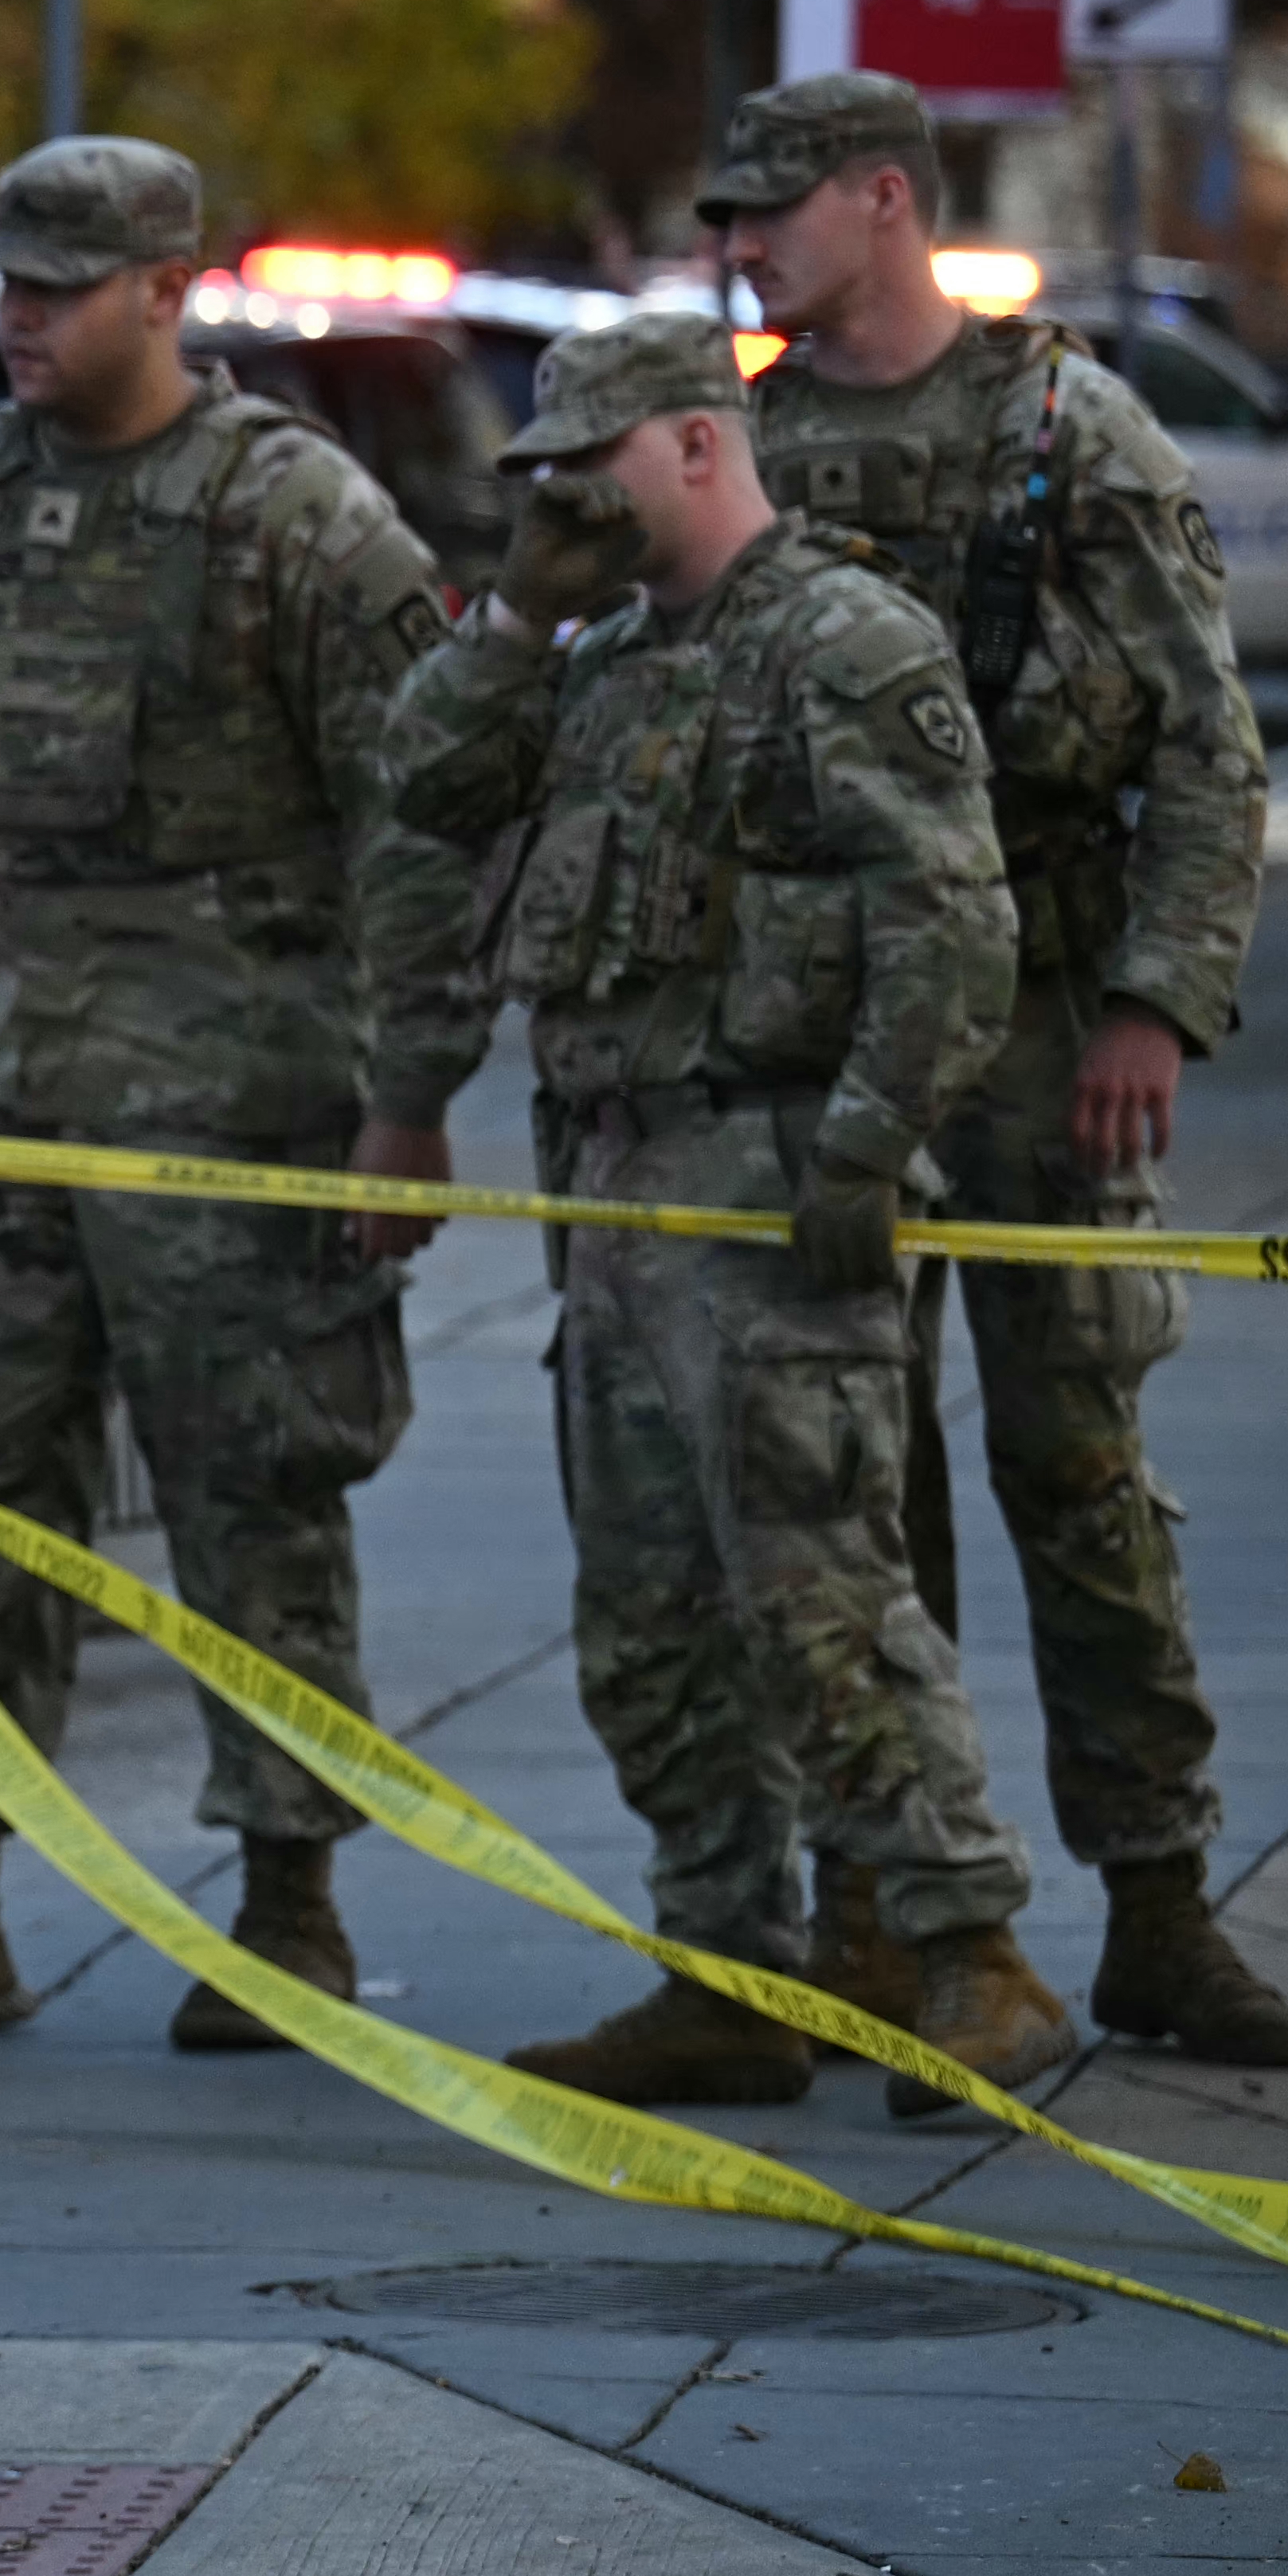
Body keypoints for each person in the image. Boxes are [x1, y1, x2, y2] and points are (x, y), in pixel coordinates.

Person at [0, 138, 475, 2051]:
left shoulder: (297, 519)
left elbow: (422, 822)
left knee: (252, 1490)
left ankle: (284, 1904)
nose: (19, 318)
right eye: (8, 282)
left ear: (169, 289)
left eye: (60, 286)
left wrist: (409, 1101)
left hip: (238, 1097)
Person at [382, 310, 1064, 2116]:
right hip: (609, 1187)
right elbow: (423, 783)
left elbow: (952, 921)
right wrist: (515, 609)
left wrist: (864, 1143)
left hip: (764, 1183)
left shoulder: (838, 638)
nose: (568, 501)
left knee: (818, 1595)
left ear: (694, 443)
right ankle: (724, 1965)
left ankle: (964, 1948)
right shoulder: (592, 650)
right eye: (542, 477)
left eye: (590, 465)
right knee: (649, 1615)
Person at [708, 69, 1288, 2067]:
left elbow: (1209, 749)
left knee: (1075, 1468)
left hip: (1047, 1023)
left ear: (885, 199)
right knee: (843, 1491)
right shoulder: (748, 444)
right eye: (728, 216)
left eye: (774, 209)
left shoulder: (1065, 427)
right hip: (821, 1031)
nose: (742, 244)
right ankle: (885, 1912)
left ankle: (1154, 1902)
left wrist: (1155, 997)